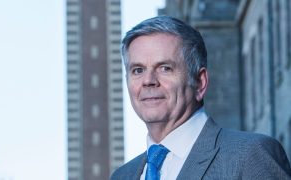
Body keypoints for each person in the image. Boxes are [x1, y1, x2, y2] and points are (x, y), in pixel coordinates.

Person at [110, 16, 291, 180]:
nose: (148, 81)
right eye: (138, 70)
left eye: (165, 68)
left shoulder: (250, 156)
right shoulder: (122, 176)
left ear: (199, 82)